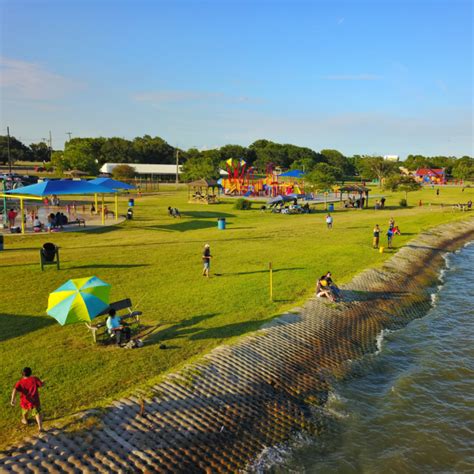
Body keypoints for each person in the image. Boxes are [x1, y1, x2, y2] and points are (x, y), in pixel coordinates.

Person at [11, 367, 44, 432]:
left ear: (22, 374)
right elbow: (41, 384)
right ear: (30, 373)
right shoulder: (35, 379)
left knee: (24, 412)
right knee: (37, 413)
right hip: (35, 401)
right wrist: (43, 382)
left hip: (25, 401)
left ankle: (25, 420)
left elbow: (14, 389)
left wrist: (13, 399)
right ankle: (40, 427)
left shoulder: (20, 382)